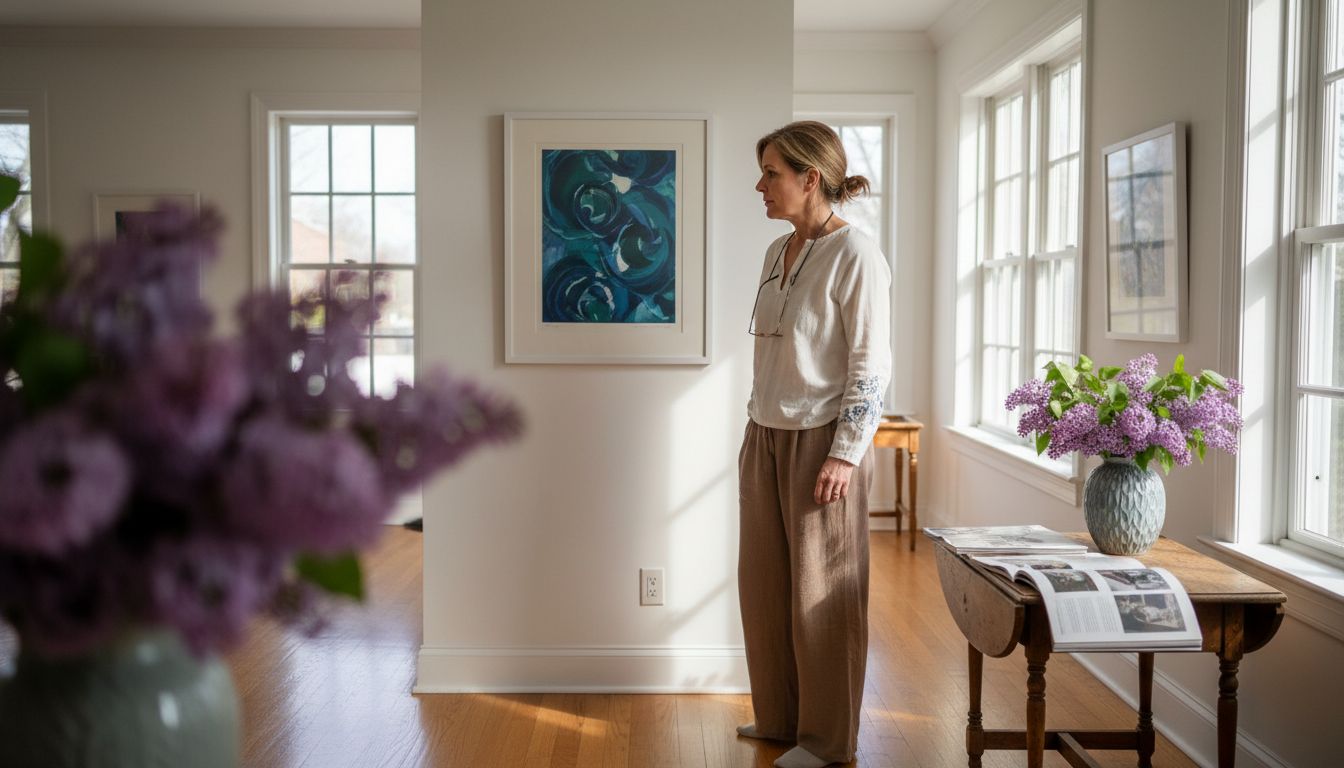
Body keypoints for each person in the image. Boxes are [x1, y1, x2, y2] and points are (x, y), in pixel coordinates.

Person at [737, 121, 892, 768]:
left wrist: (845, 453)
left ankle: (829, 744)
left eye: (772, 173)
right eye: (763, 172)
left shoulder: (856, 254)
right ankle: (781, 718)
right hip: (764, 435)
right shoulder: (778, 251)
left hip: (821, 443)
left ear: (810, 177)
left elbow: (871, 365)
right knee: (766, 587)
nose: (761, 185)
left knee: (823, 597)